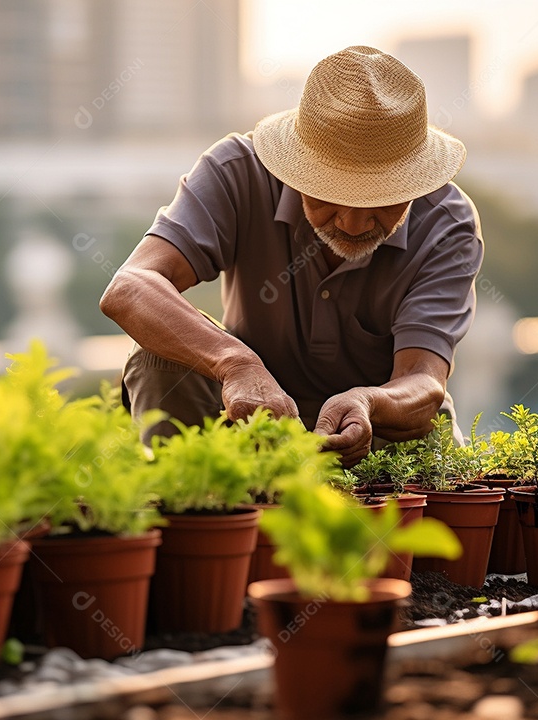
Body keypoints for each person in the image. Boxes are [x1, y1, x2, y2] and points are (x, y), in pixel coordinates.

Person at [100, 45, 483, 467]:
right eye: (330, 194)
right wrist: (236, 364)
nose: (353, 224)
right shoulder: (236, 172)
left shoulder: (448, 224)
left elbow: (423, 381)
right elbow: (130, 287)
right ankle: (199, 515)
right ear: (296, 167)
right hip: (248, 426)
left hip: (379, 439)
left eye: (383, 199)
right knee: (154, 357)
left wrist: (368, 403)